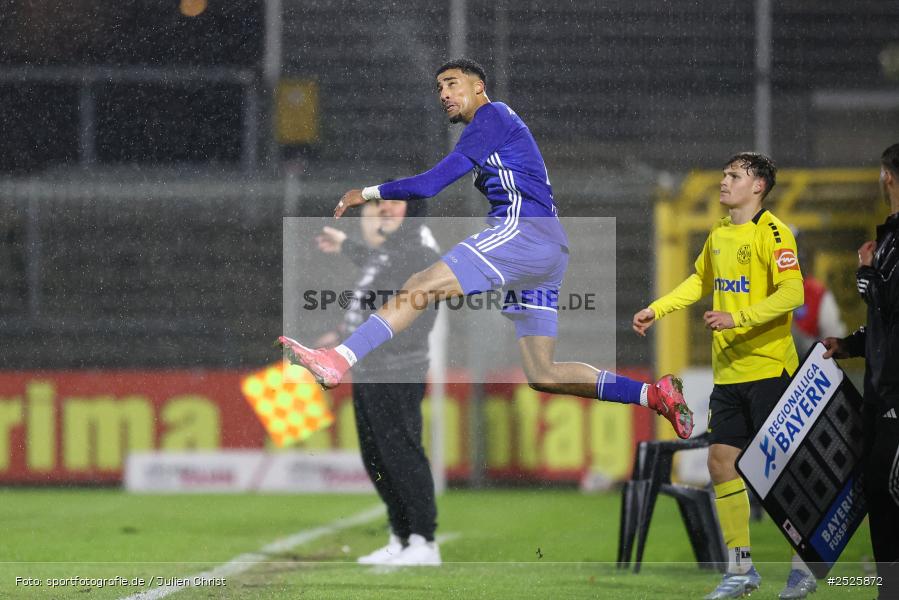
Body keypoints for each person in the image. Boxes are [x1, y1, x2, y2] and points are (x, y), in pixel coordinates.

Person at [279, 57, 693, 441]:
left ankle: (339, 359)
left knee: (420, 284)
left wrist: (366, 192)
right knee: (543, 373)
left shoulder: (492, 115)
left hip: (523, 232)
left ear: (480, 87)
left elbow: (430, 185)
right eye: (439, 88)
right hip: (547, 249)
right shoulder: (494, 128)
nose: (443, 94)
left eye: (452, 84)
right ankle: (652, 396)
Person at [632, 153, 816, 599]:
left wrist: (740, 319)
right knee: (720, 462)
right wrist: (658, 308)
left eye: (734, 175)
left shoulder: (774, 233)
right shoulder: (718, 232)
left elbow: (793, 293)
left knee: (781, 474)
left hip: (771, 368)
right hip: (730, 373)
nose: (723, 181)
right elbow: (700, 280)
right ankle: (741, 570)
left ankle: (807, 563)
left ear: (758, 186)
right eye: (724, 174)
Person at [314, 197, 442, 566]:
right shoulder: (390, 252)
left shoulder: (418, 250)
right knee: (377, 456)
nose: (384, 210)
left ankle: (424, 541)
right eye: (380, 205)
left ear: (412, 214)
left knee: (401, 452)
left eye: (395, 205)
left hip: (398, 367)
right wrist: (342, 332)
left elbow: (406, 306)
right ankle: (401, 537)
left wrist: (350, 246)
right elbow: (375, 292)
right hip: (369, 367)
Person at [823, 142, 899, 599]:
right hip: (881, 391)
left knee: (886, 493)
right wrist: (850, 344)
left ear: (886, 176)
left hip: (896, 396)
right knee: (878, 495)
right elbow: (888, 321)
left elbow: (889, 299)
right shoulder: (890, 235)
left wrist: (866, 271)